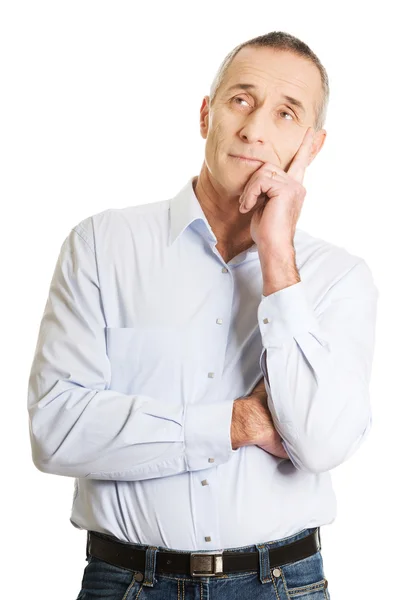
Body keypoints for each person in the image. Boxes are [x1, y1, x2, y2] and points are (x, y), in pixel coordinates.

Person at [27, 30, 378, 600]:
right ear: (205, 114)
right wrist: (237, 423)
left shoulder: (338, 277)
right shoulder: (101, 245)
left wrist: (277, 259)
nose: (255, 128)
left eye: (286, 114)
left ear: (311, 146)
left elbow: (321, 442)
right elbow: (57, 431)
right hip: (127, 584)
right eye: (241, 99)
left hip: (282, 585)